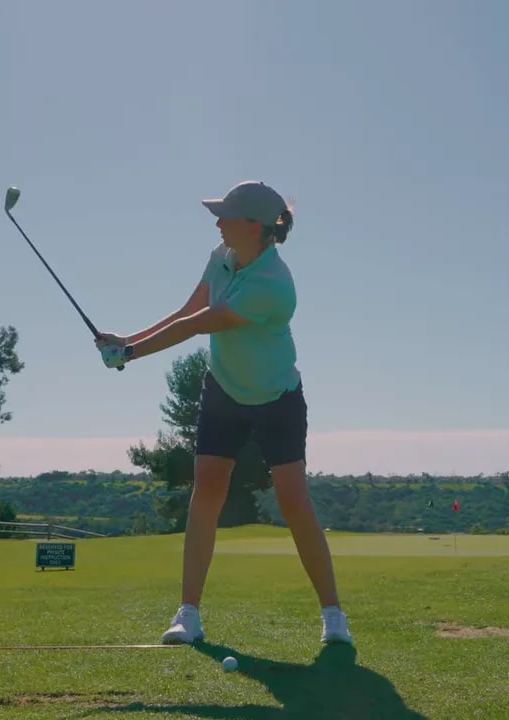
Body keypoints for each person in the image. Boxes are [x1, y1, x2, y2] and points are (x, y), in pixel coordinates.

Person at [96, 180, 352, 647]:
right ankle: (187, 613)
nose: (216, 223)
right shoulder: (221, 255)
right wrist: (128, 339)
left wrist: (131, 353)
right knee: (207, 493)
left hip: (277, 398)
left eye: (225, 216)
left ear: (254, 225)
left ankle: (333, 614)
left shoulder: (273, 285)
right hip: (224, 392)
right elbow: (188, 308)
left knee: (294, 502)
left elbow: (198, 325)